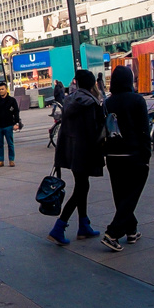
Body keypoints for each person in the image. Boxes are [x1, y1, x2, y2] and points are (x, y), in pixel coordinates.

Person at [49, 69, 105, 245]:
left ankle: (84, 225)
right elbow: (93, 131)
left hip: (71, 152)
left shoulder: (69, 100)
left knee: (83, 185)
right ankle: (59, 226)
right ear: (91, 84)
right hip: (84, 151)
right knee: (80, 189)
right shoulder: (90, 103)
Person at [102, 65, 151, 252]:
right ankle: (112, 233)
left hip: (113, 155)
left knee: (121, 194)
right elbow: (144, 130)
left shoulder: (107, 103)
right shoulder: (137, 100)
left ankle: (131, 230)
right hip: (134, 154)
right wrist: (146, 154)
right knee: (131, 195)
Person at [0, 85, 21, 167]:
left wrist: (16, 123)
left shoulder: (11, 100)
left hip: (8, 125)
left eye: (2, 89)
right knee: (0, 144)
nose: (1, 91)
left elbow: (16, 112)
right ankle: (1, 160)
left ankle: (11, 160)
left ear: (6, 89)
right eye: (0, 89)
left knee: (10, 144)